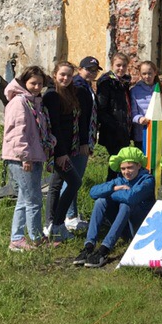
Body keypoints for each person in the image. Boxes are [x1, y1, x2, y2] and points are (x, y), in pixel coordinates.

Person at [2, 65, 56, 252]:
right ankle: (35, 238)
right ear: (24, 82)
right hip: (22, 158)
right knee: (33, 199)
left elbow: (38, 130)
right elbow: (17, 133)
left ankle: (17, 239)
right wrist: (24, 157)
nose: (36, 87)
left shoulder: (34, 102)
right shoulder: (19, 103)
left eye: (40, 84)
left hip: (34, 155)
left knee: (25, 198)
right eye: (33, 83)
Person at [74, 147, 155, 268]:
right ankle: (89, 246)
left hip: (139, 230)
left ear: (139, 165)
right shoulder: (120, 180)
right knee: (100, 201)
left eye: (130, 167)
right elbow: (93, 192)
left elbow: (131, 198)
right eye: (123, 168)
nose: (126, 172)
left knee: (126, 205)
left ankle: (104, 250)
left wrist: (111, 193)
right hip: (124, 227)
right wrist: (114, 188)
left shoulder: (147, 180)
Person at [43, 61, 92, 242]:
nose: (65, 78)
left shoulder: (71, 93)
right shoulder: (52, 95)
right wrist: (61, 153)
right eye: (62, 74)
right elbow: (54, 126)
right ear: (55, 73)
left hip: (69, 147)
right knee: (74, 182)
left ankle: (50, 225)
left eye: (69, 75)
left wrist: (81, 143)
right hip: (58, 150)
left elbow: (79, 120)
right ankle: (57, 224)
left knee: (56, 185)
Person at [65, 55, 100, 230]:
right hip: (79, 141)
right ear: (80, 69)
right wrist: (84, 142)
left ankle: (71, 214)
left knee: (75, 179)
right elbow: (81, 118)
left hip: (84, 139)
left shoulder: (86, 86)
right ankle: (69, 216)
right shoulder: (79, 87)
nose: (92, 73)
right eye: (89, 69)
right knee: (73, 179)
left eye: (95, 70)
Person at [96, 52, 132, 157]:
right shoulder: (106, 82)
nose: (121, 68)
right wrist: (115, 126)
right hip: (113, 130)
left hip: (124, 129)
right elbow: (101, 109)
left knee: (119, 161)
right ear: (112, 65)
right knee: (117, 161)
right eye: (118, 65)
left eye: (124, 65)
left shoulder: (124, 82)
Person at [130, 60, 160, 154]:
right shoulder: (134, 91)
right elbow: (132, 113)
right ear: (140, 74)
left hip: (157, 133)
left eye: (150, 73)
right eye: (144, 74)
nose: (147, 76)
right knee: (142, 163)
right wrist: (139, 119)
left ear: (155, 73)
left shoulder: (160, 90)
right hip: (141, 134)